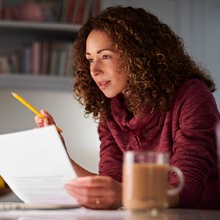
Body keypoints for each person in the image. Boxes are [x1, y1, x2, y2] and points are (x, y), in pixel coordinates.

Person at [35, 6, 220, 210]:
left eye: (105, 56)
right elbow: (111, 185)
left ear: (138, 54)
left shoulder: (192, 96)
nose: (94, 70)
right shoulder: (111, 110)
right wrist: (60, 154)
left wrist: (123, 194)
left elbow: (185, 189)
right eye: (90, 60)